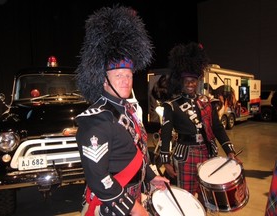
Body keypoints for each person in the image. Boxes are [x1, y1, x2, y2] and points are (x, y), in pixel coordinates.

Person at [75, 6, 169, 216]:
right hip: (112, 203)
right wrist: (133, 208)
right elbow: (98, 178)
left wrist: (151, 176)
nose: (126, 80)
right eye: (118, 75)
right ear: (104, 80)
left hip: (133, 194)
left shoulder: (128, 110)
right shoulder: (96, 120)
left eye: (128, 75)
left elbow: (136, 152)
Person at [158, 42, 241, 207]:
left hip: (208, 152)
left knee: (206, 194)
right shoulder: (172, 105)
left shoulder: (207, 102)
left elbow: (217, 128)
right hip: (185, 155)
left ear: (197, 82)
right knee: (186, 196)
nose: (190, 84)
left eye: (193, 81)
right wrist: (166, 161)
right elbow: (165, 135)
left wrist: (230, 150)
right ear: (181, 82)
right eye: (187, 81)